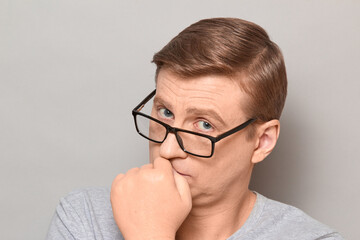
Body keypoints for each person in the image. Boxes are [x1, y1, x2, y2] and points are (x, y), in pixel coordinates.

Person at [46, 18, 343, 240]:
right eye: (165, 112)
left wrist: (151, 234)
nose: (167, 149)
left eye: (204, 124)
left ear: (262, 142)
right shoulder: (84, 219)